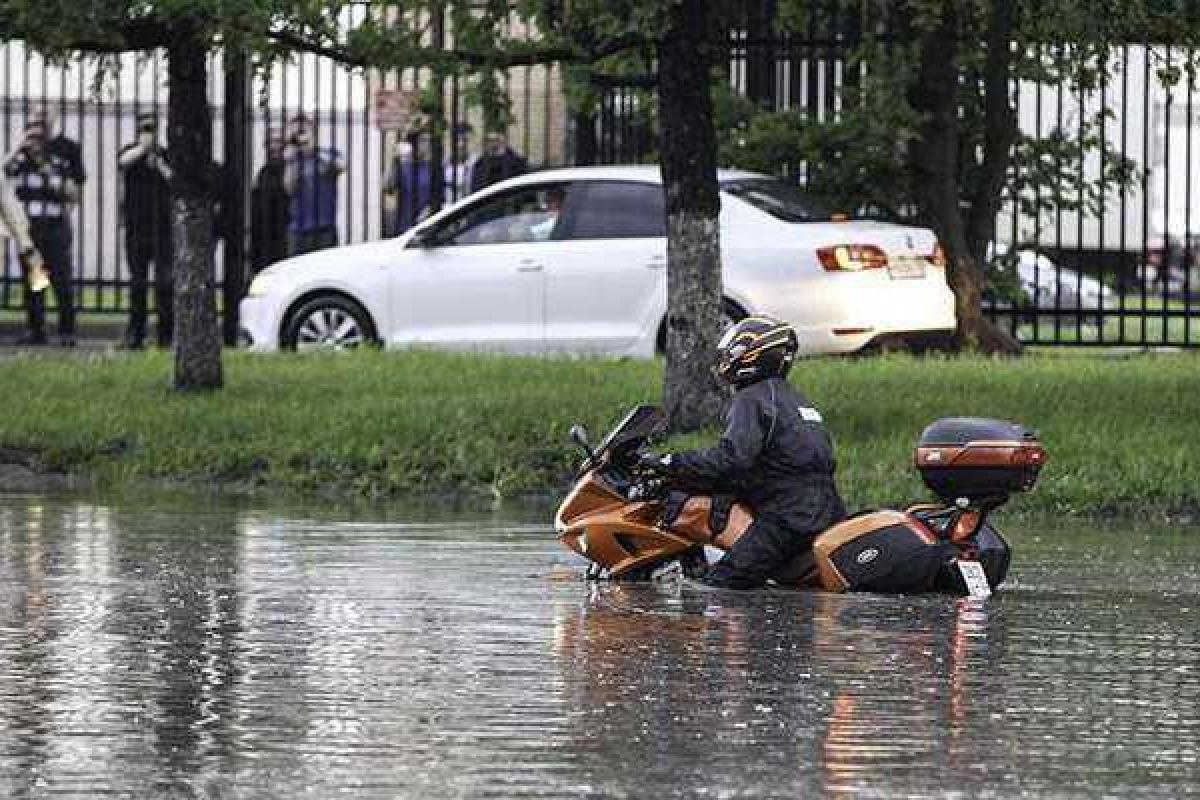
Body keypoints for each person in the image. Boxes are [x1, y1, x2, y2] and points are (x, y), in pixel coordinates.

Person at [639, 316, 847, 589]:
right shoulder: (795, 400)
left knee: (722, 585)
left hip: (788, 519)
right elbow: (770, 464)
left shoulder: (752, 398)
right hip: (827, 512)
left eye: (733, 350)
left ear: (751, 355)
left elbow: (731, 460)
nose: (727, 355)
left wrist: (670, 462)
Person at [4, 118, 80, 346]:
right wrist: (18, 149)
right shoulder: (18, 162)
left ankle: (67, 332)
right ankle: (37, 330)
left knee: (61, 280)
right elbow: (3, 173)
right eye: (30, 136)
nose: (33, 142)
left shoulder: (56, 161)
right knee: (36, 281)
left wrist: (45, 168)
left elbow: (71, 192)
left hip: (55, 226)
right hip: (30, 229)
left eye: (37, 137)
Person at [118, 113, 175, 349]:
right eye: (144, 129)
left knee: (164, 285)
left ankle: (165, 335)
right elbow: (122, 162)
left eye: (151, 129)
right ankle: (136, 334)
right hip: (136, 228)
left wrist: (158, 162)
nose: (148, 133)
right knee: (138, 284)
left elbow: (174, 179)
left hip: (163, 230)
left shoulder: (165, 155)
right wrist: (143, 150)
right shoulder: (131, 152)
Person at [283, 114, 344, 255]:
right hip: (298, 229)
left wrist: (312, 150)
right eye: (296, 133)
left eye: (303, 132)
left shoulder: (329, 153)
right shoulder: (293, 159)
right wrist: (291, 160)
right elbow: (289, 188)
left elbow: (341, 166)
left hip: (324, 227)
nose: (300, 137)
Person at [250, 128, 291, 272]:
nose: (274, 146)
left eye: (278, 142)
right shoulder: (263, 172)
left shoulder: (290, 169)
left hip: (283, 235)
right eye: (270, 142)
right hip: (262, 238)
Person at [383, 134, 432, 236]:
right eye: (422, 141)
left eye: (427, 141)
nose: (426, 145)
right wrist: (395, 161)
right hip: (405, 226)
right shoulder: (402, 167)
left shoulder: (432, 168)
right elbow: (388, 189)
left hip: (427, 224)